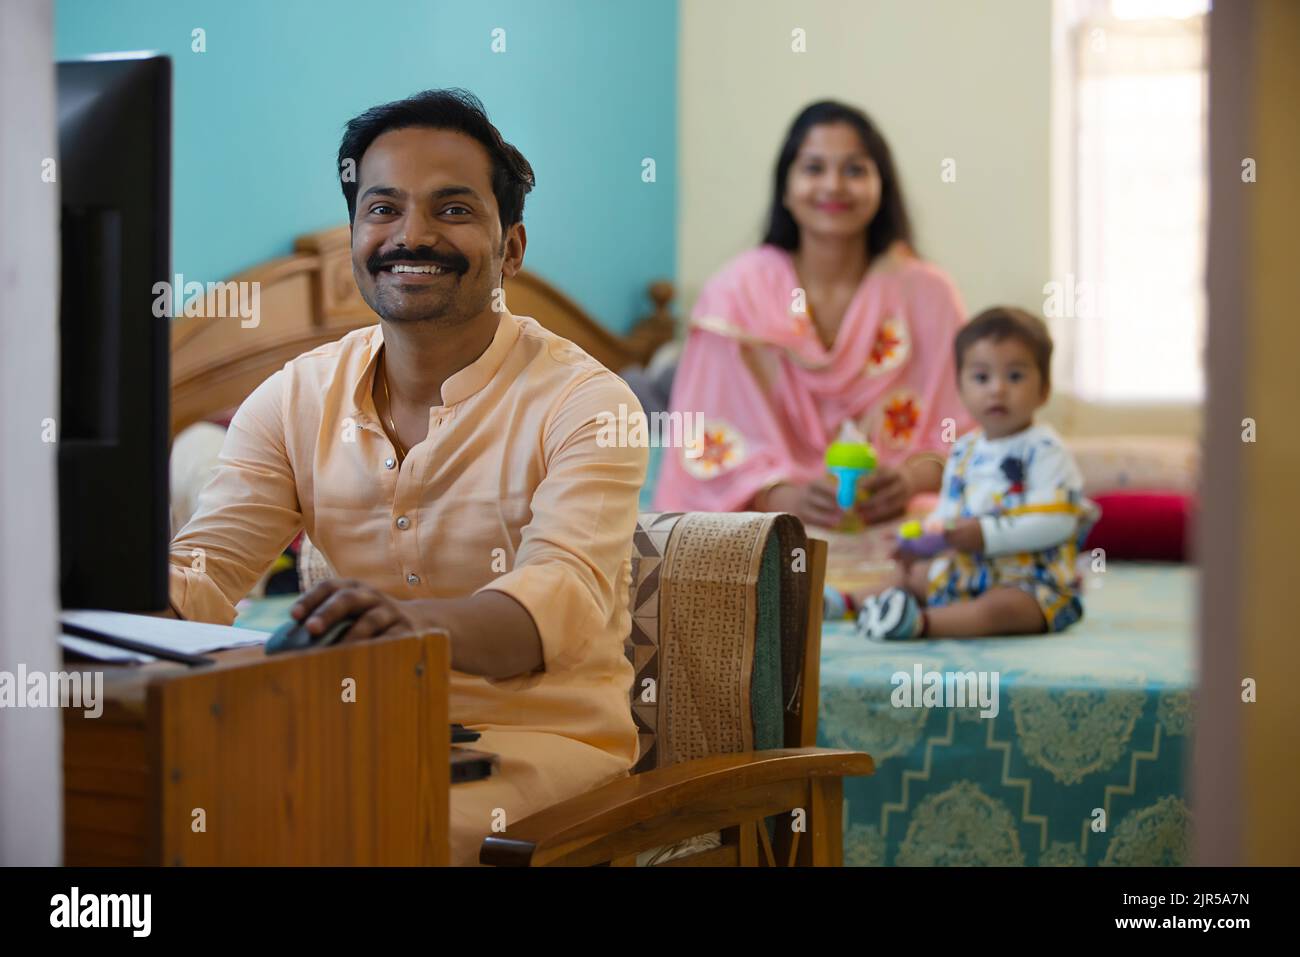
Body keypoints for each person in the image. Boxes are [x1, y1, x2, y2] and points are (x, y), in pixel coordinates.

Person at [167, 89, 646, 864]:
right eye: (382, 209)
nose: (411, 234)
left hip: (541, 753)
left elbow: (549, 604)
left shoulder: (589, 402)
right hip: (345, 729)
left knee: (345, 829)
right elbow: (202, 576)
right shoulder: (293, 396)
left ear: (511, 248)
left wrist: (406, 624)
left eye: (453, 210)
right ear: (356, 237)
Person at [653, 100, 973, 528]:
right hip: (769, 527)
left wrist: (911, 479)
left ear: (882, 186)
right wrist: (787, 497)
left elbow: (974, 433)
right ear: (785, 187)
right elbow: (705, 442)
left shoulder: (928, 294)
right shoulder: (735, 296)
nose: (834, 185)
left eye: (855, 170)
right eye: (814, 168)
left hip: (905, 525)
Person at [856, 307, 1098, 640]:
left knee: (1003, 609)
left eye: (1015, 376)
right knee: (913, 577)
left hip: (1031, 582)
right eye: (982, 378)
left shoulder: (1045, 449)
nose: (997, 389)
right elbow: (948, 515)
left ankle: (919, 624)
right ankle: (846, 604)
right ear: (961, 389)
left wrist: (987, 535)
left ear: (1043, 389)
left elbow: (1059, 521)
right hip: (968, 571)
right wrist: (923, 540)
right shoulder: (963, 451)